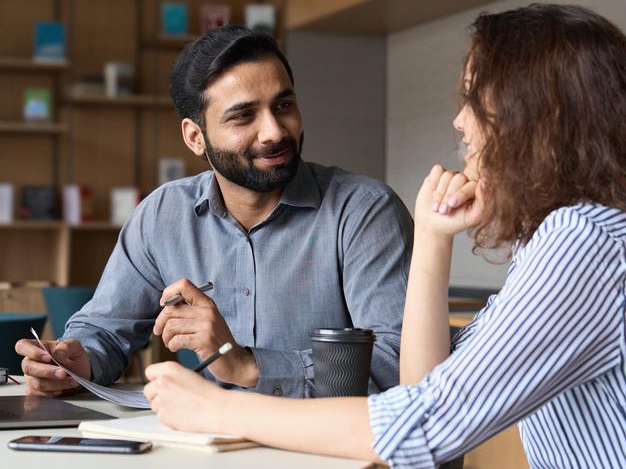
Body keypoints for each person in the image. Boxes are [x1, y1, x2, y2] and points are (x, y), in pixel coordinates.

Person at [142, 4, 626, 468]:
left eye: (473, 99)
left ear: (537, 115)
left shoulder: (587, 240)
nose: (459, 121)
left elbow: (422, 425)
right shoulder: (568, 236)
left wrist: (219, 410)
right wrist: (431, 236)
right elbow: (425, 388)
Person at [15, 26, 413, 399]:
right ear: (195, 137)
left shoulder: (364, 211)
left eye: (284, 105)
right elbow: (105, 327)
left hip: (336, 448)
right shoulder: (163, 215)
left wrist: (249, 366)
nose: (275, 131)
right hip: (212, 444)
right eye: (243, 116)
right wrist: (74, 359)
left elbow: (402, 363)